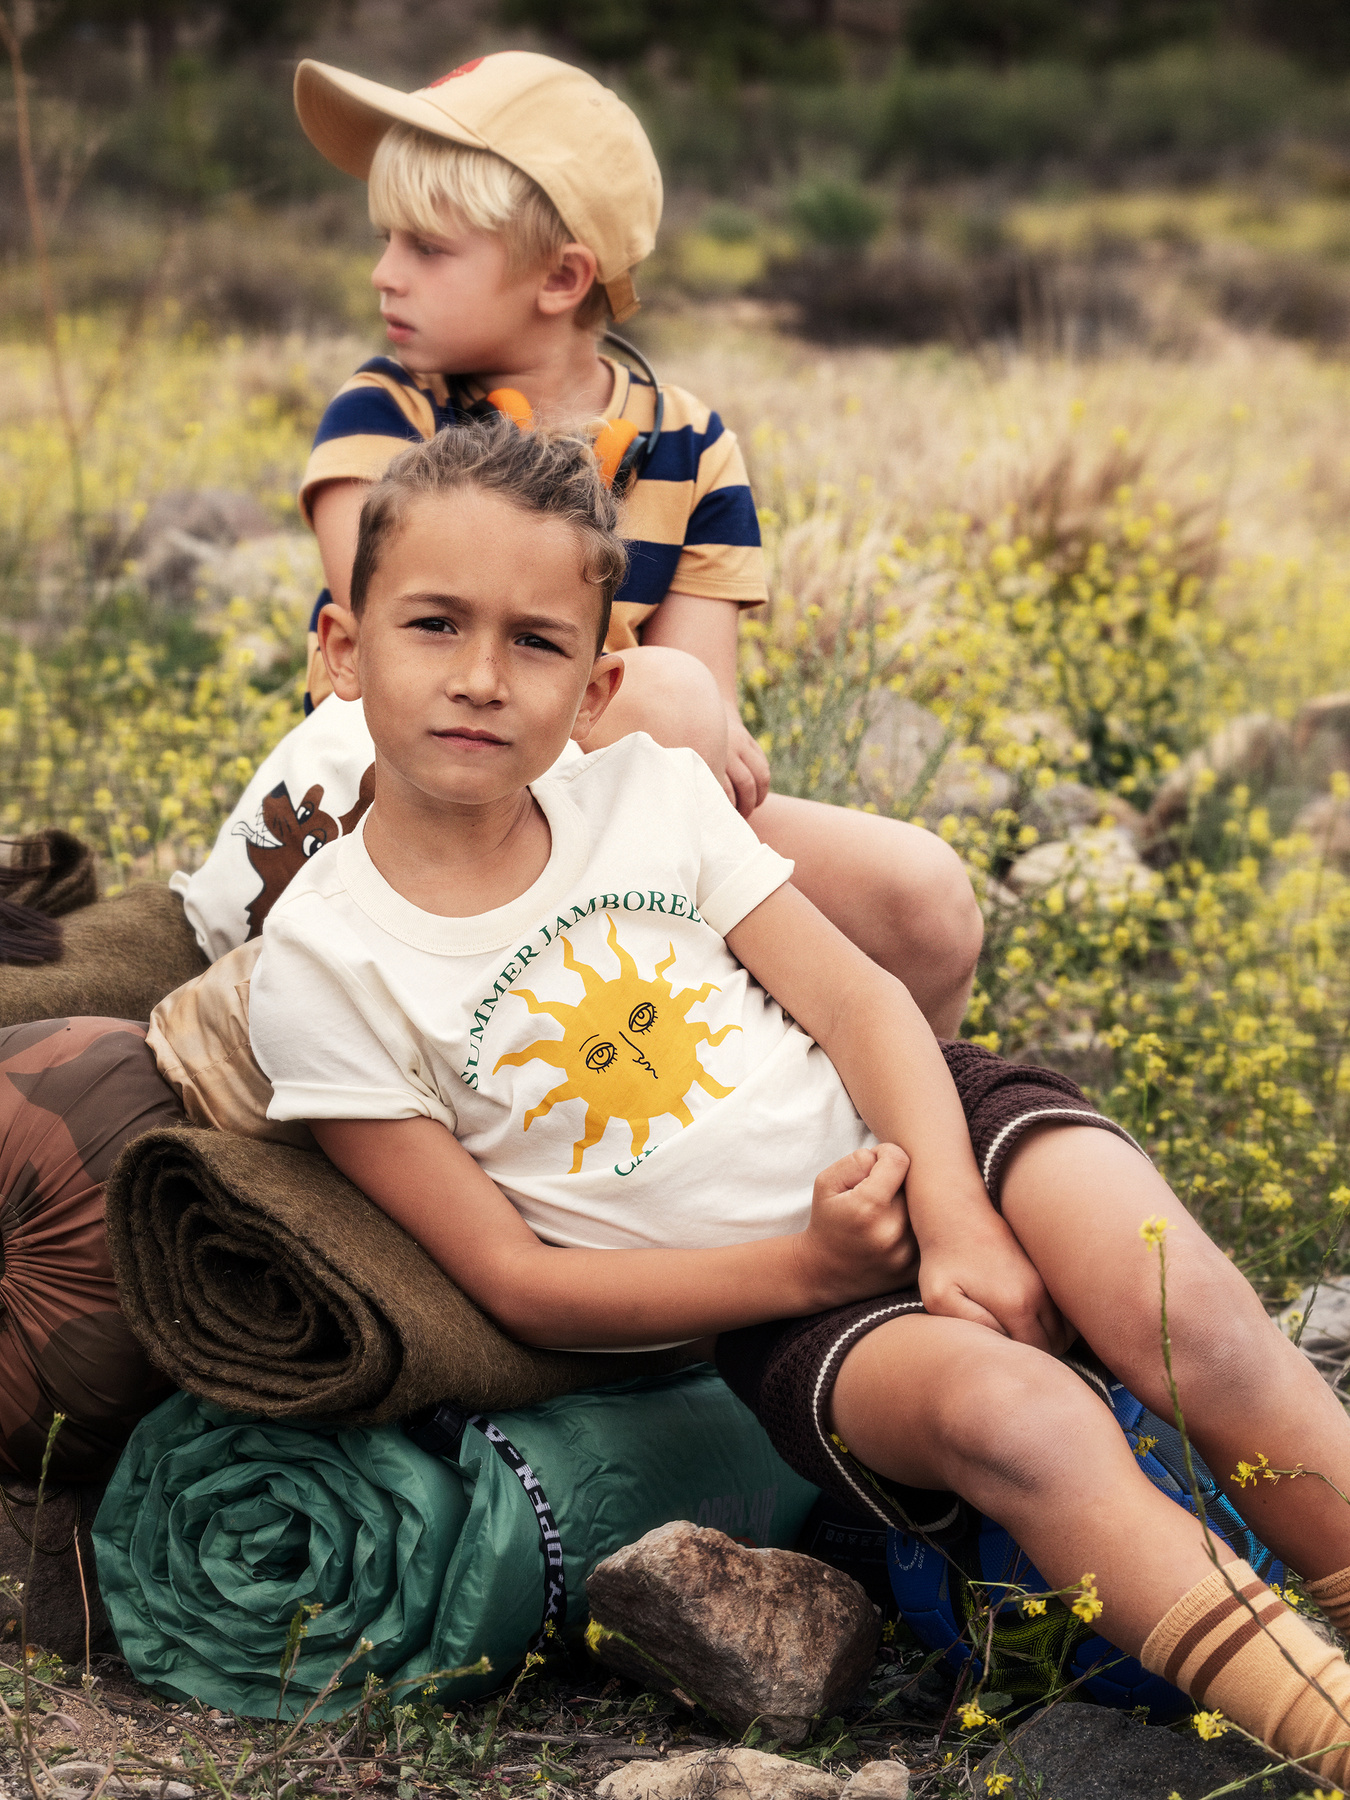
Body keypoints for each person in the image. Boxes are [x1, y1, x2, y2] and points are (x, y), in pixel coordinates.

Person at [247, 421, 1350, 1783]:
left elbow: (863, 1006)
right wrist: (810, 1261)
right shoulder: (326, 961)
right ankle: (1326, 1726)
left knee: (1186, 1318)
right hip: (782, 1312)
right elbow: (514, 1281)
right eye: (433, 625)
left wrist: (949, 1208)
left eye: (533, 642)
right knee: (1023, 1420)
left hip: (931, 1118)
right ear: (342, 649)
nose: (479, 678)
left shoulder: (644, 797)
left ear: (597, 687)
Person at [285, 48, 981, 1036]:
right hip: (404, 787)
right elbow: (403, 647)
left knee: (925, 895)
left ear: (563, 277)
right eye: (386, 240)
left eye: (426, 248)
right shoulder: (385, 410)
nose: (383, 273)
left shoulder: (689, 444)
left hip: (604, 781)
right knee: (664, 694)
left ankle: (899, 1135)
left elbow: (694, 743)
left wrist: (675, 727)